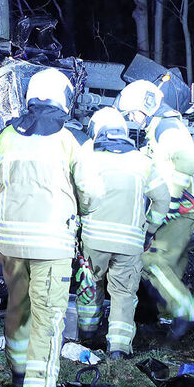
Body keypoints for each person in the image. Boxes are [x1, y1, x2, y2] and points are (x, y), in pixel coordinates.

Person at [0, 67, 85, 387]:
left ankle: (19, 370)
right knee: (48, 315)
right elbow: (88, 191)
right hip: (52, 244)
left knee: (18, 305)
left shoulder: (4, 137)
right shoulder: (68, 139)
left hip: (10, 243)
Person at [74, 107, 170, 358]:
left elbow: (78, 193)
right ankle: (118, 348)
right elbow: (162, 200)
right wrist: (149, 230)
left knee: (90, 284)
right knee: (124, 294)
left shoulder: (89, 159)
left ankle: (86, 335)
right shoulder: (143, 162)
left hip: (94, 240)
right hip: (130, 243)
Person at [117, 79, 194, 341]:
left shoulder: (166, 126)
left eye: (132, 113)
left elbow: (186, 159)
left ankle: (187, 311)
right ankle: (170, 320)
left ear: (146, 105)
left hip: (179, 210)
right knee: (170, 267)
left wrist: (172, 200)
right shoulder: (160, 126)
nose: (131, 118)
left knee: (152, 262)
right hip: (181, 210)